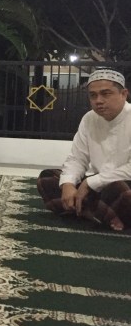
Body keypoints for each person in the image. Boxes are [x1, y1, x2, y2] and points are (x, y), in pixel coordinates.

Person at [36, 68, 131, 232]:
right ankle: (100, 212)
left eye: (106, 94)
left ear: (124, 94)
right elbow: (77, 158)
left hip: (121, 184)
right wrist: (68, 183)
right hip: (98, 187)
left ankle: (86, 210)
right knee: (47, 178)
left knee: (120, 190)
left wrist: (89, 183)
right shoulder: (89, 119)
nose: (98, 101)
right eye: (93, 95)